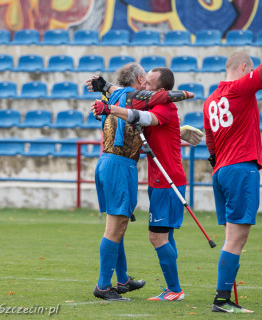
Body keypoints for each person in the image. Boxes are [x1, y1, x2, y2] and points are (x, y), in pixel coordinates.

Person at [202, 15, 262, 313]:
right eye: (249, 69)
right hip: (241, 168)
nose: (252, 74)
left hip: (221, 170)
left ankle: (225, 298)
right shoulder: (240, 88)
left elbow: (210, 142)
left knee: (232, 236)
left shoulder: (210, 100)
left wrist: (219, 162)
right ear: (242, 68)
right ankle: (221, 300)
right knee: (237, 237)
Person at [92, 67, 201, 301]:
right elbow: (142, 114)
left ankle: (125, 281)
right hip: (123, 167)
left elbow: (143, 119)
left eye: (151, 86)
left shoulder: (118, 97)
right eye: (146, 84)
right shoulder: (132, 99)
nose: (146, 91)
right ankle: (106, 285)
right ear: (140, 80)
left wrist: (175, 131)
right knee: (120, 227)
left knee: (134, 229)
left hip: (125, 168)